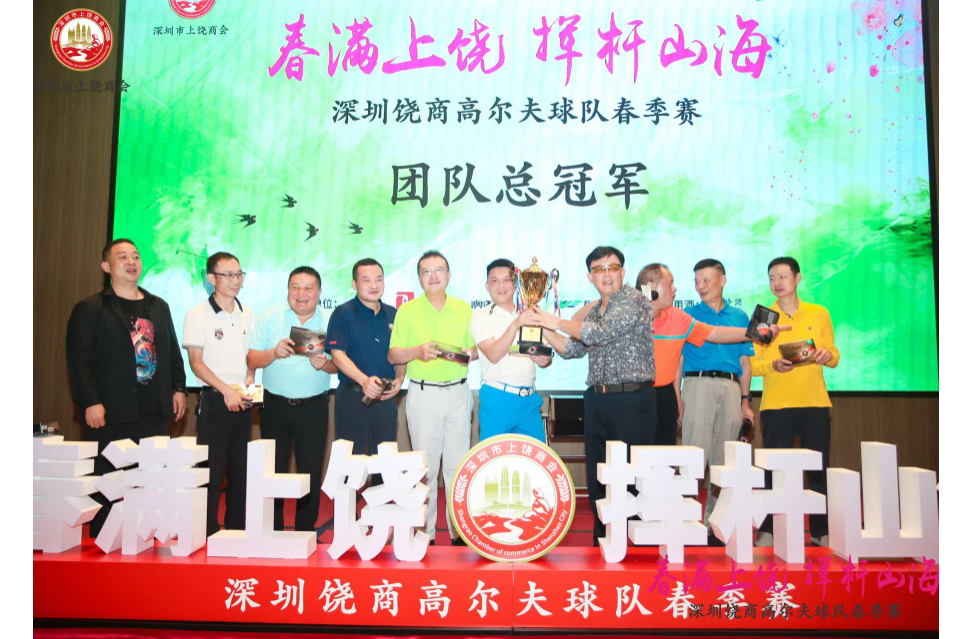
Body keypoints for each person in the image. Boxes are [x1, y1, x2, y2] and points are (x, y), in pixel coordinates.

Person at [527, 247, 656, 544]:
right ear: (590, 277)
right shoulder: (596, 310)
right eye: (599, 269)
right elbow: (572, 349)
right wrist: (540, 324)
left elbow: (601, 333)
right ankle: (603, 540)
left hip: (631, 400)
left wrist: (554, 321)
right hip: (598, 400)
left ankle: (637, 544)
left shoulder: (634, 299)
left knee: (634, 475)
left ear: (623, 272)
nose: (606, 274)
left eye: (613, 267)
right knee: (600, 474)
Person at [66, 239, 187, 537]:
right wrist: (90, 401)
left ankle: (144, 539)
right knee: (110, 481)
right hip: (110, 412)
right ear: (106, 266)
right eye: (122, 257)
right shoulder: (90, 308)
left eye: (135, 256)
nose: (131, 261)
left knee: (150, 480)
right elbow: (80, 361)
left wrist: (179, 388)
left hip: (153, 410)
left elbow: (172, 353)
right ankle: (105, 541)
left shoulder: (159, 306)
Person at [636, 263, 782, 447]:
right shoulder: (632, 315)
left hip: (675, 394)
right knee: (640, 452)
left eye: (706, 280)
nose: (675, 289)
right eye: (670, 283)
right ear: (651, 287)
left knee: (669, 452)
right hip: (643, 393)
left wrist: (757, 332)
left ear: (722, 280)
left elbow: (716, 334)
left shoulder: (679, 317)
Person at [388, 251, 477, 546]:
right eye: (427, 271)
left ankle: (458, 532)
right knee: (425, 468)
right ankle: (425, 533)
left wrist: (462, 354)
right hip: (423, 394)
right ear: (419, 278)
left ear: (449, 275)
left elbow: (477, 350)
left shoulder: (464, 309)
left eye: (439, 270)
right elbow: (393, 354)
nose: (434, 276)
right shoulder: (407, 311)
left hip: (458, 392)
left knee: (457, 467)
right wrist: (417, 352)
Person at [753, 257, 840, 548]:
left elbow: (834, 355)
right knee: (773, 470)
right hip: (776, 405)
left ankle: (820, 530)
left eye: (782, 276)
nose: (776, 283)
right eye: (771, 278)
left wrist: (827, 356)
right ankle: (769, 529)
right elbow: (751, 364)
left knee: (819, 468)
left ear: (797, 278)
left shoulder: (819, 312)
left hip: (814, 401)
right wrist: (772, 365)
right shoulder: (763, 317)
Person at [247, 266, 338, 532]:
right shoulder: (270, 316)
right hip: (274, 406)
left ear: (319, 292)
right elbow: (251, 359)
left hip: (314, 406)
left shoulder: (330, 320)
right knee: (273, 471)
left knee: (310, 470)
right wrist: (274, 352)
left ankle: (305, 532)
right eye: (295, 287)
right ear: (287, 290)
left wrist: (325, 365)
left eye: (308, 288)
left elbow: (339, 365)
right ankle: (272, 530)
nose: (301, 294)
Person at [678, 259, 756, 541]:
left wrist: (745, 401)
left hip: (731, 388)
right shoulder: (687, 315)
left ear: (722, 280)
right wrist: (678, 397)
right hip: (697, 385)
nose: (701, 286)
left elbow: (745, 363)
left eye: (707, 280)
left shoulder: (740, 316)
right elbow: (679, 360)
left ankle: (715, 525)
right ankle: (686, 522)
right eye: (697, 281)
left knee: (724, 461)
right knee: (692, 457)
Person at [182, 252, 255, 538]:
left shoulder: (248, 312)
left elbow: (251, 355)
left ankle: (236, 532)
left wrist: (250, 377)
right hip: (215, 400)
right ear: (211, 278)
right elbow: (196, 363)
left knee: (240, 472)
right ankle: (207, 533)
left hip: (243, 400)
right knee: (211, 472)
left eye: (239, 274)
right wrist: (226, 390)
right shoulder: (197, 313)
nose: (236, 281)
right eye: (228, 275)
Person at [326, 259, 406, 480]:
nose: (374, 285)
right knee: (350, 465)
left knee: (385, 465)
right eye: (366, 280)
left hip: (385, 398)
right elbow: (338, 356)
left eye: (378, 279)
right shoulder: (342, 314)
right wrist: (364, 381)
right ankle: (346, 504)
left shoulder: (393, 314)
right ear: (354, 284)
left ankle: (383, 502)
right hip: (353, 398)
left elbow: (400, 354)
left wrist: (400, 379)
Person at [470, 259, 551, 442]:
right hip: (497, 398)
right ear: (487, 285)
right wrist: (516, 324)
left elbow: (543, 352)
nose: (501, 286)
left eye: (507, 280)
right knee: (494, 456)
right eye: (495, 281)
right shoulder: (480, 316)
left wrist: (545, 359)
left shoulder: (530, 313)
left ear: (516, 284)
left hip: (529, 400)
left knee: (534, 456)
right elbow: (493, 354)